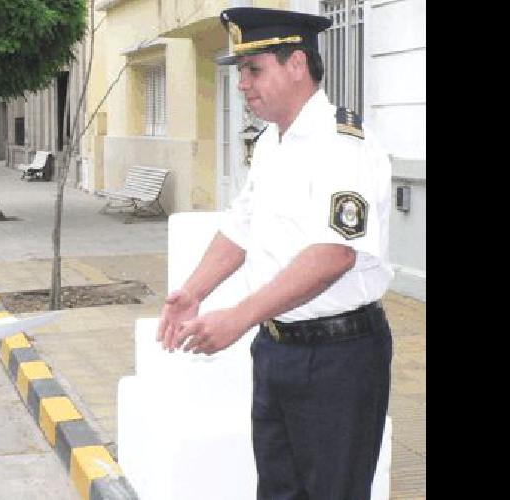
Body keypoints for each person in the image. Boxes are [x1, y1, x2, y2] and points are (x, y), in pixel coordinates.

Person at [156, 8, 394, 499]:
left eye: (253, 69)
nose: (242, 84)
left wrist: (237, 318)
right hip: (277, 349)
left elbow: (334, 255)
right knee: (278, 491)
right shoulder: (271, 143)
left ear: (297, 64)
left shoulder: (343, 144)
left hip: (338, 356)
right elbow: (241, 228)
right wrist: (192, 293)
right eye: (240, 72)